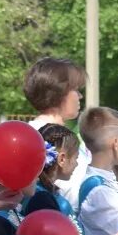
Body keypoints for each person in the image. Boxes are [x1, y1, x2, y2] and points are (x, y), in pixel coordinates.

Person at [25, 56, 86, 201]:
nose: (80, 96)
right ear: (60, 92)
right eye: (76, 90)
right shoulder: (34, 137)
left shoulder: (65, 134)